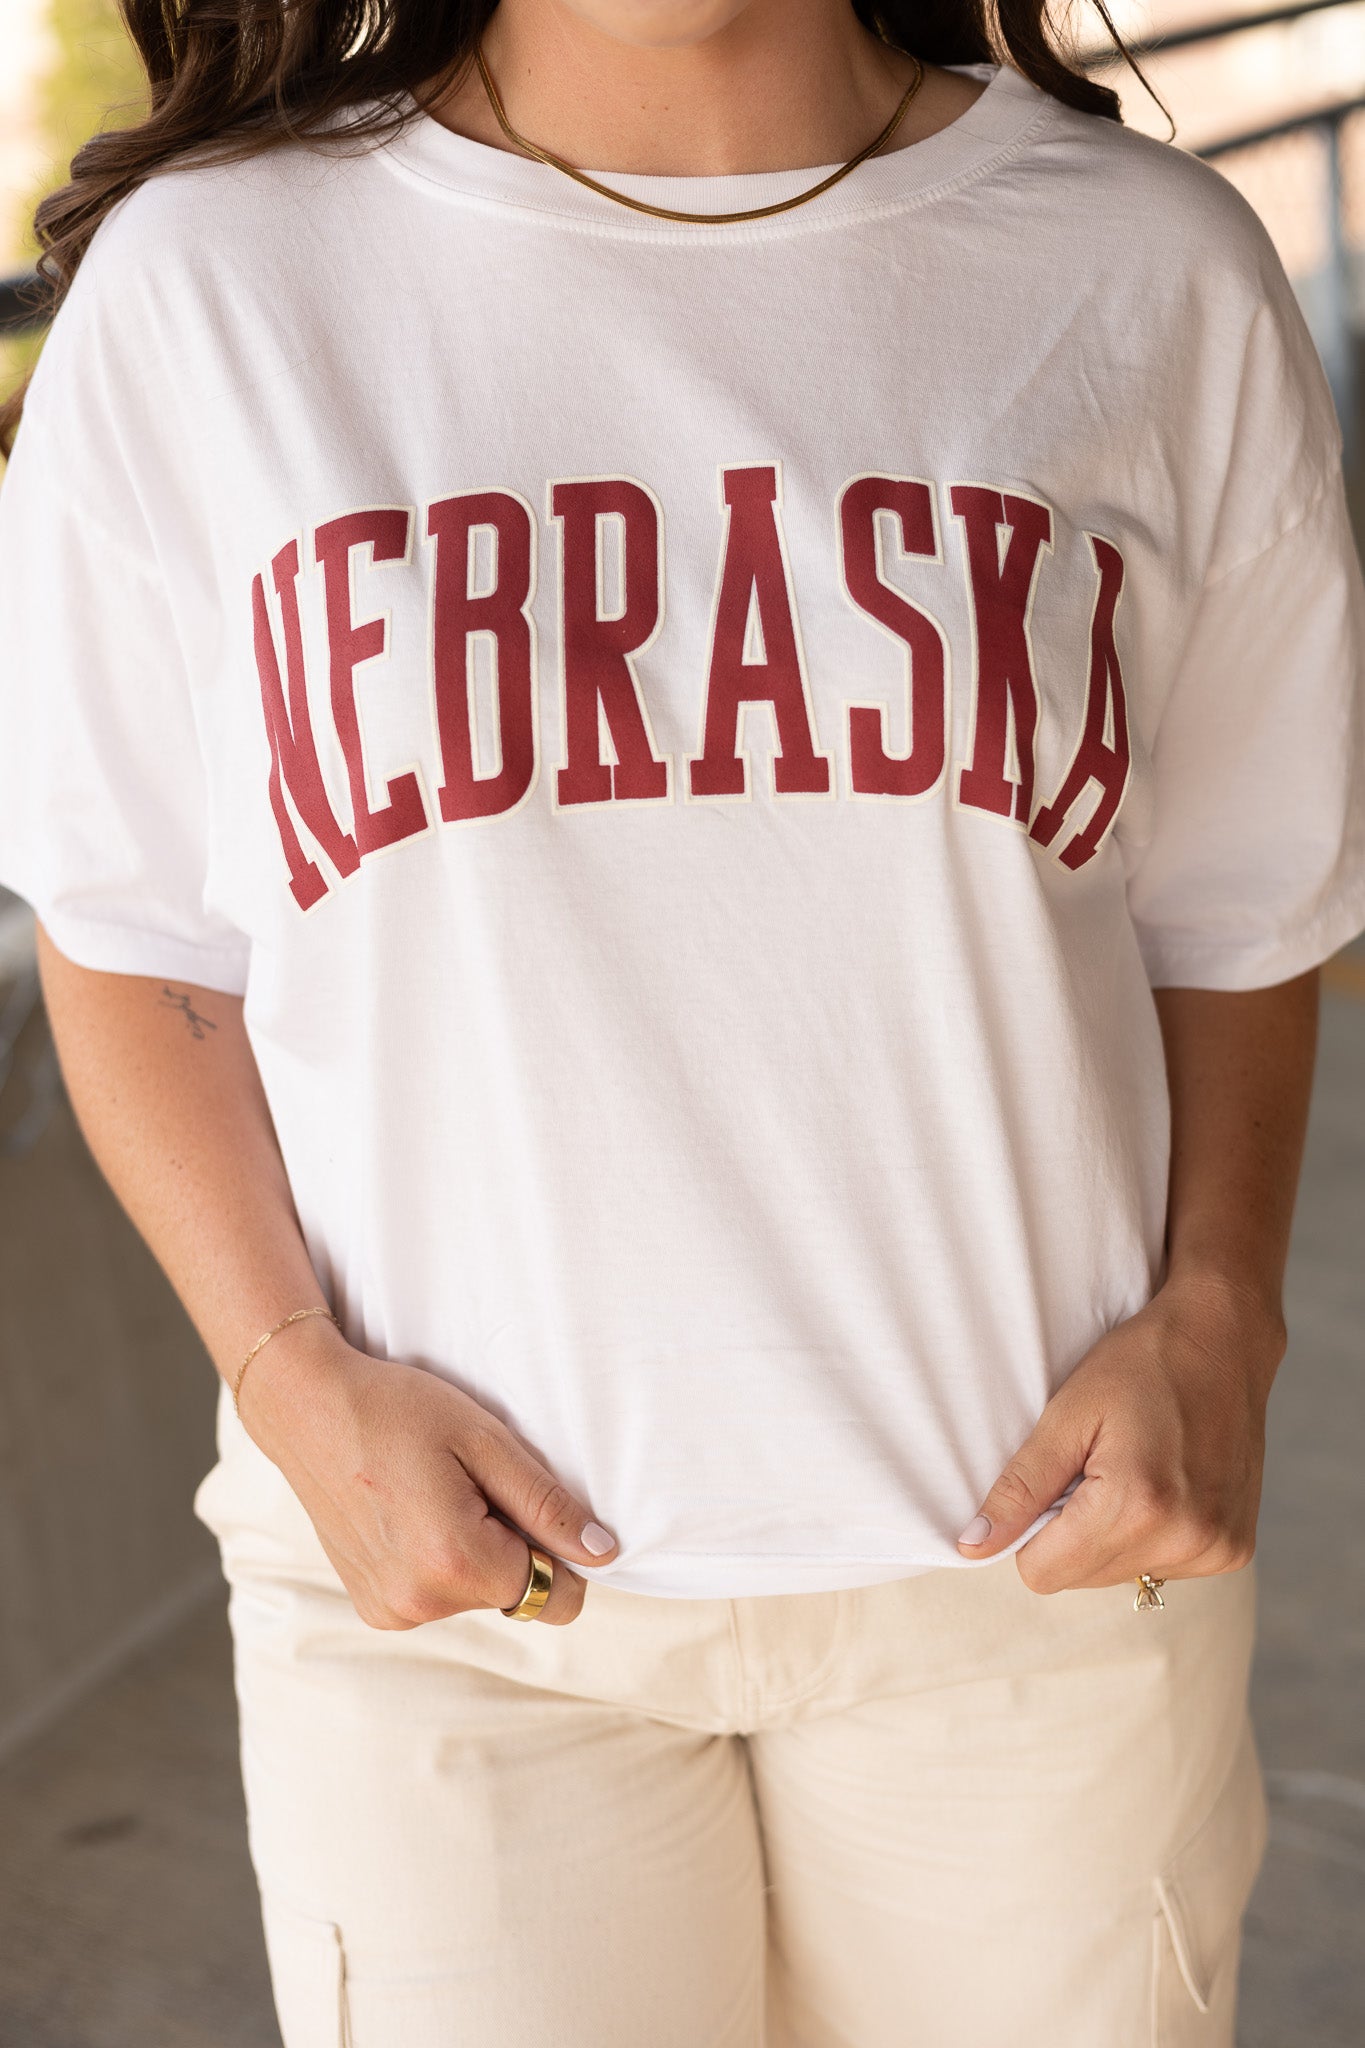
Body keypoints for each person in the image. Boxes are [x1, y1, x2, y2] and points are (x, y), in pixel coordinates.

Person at [2, 0, 1363, 2040]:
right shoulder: (217, 289)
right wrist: (288, 1380)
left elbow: (1236, 906)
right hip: (448, 1615)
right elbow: (131, 930)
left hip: (1037, 1585)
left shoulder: (1140, 266)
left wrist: (1216, 1317)